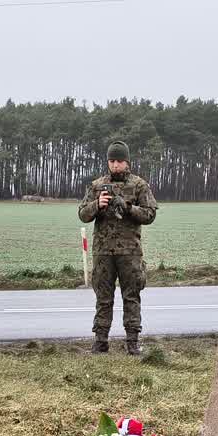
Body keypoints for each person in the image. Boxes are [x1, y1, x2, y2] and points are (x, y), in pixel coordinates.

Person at [76, 139, 159, 355]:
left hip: (130, 252)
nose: (115, 165)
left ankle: (132, 342)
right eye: (111, 161)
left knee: (131, 296)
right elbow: (82, 214)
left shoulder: (139, 185)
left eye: (119, 161)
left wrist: (128, 207)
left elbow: (150, 214)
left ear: (127, 162)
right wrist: (97, 204)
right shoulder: (97, 185)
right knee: (103, 298)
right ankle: (100, 341)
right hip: (103, 252)